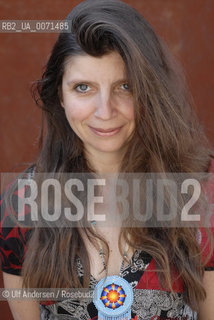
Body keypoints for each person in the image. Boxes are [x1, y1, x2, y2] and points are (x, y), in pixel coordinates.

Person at [1, 0, 214, 319]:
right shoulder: (21, 209)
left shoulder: (200, 200)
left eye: (125, 86)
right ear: (60, 95)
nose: (104, 111)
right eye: (83, 87)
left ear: (148, 91)